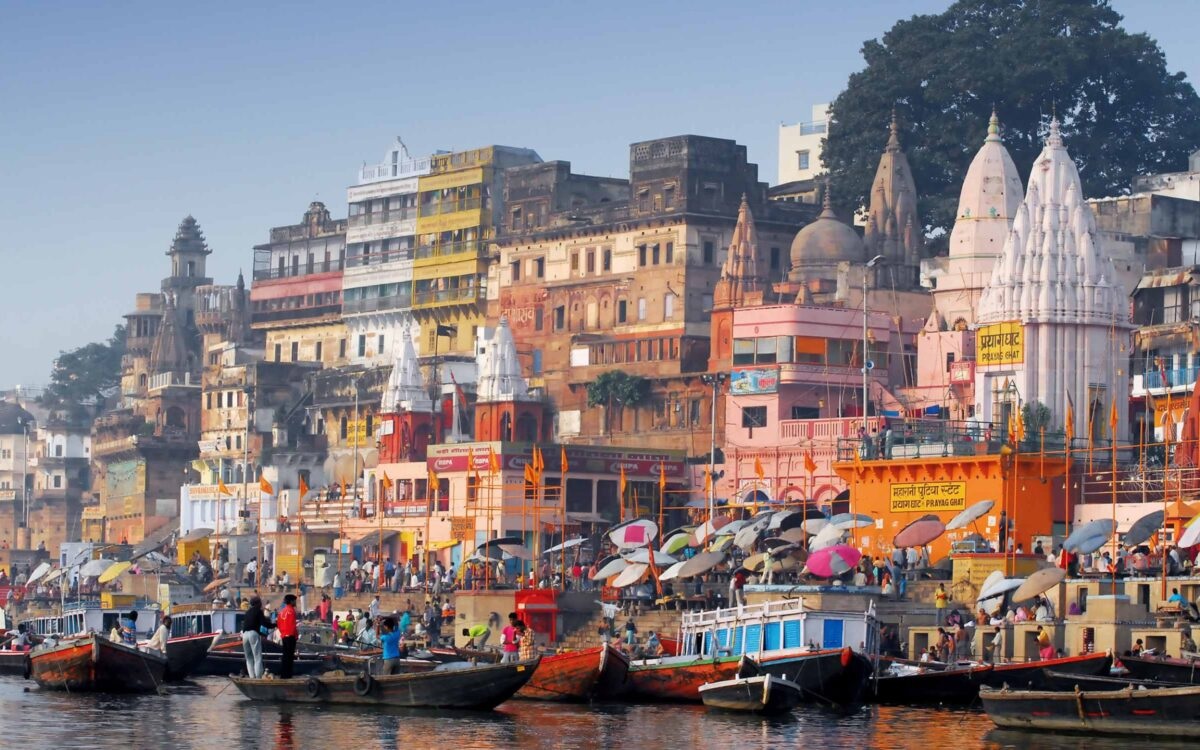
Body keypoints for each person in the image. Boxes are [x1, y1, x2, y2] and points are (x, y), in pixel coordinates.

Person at [242, 596, 269, 678]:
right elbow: (264, 624)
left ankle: (251, 677)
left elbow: (247, 625)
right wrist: (275, 625)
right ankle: (258, 677)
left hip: (245, 635)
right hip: (253, 634)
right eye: (260, 602)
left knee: (249, 658)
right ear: (258, 603)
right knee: (257, 657)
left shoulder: (247, 612)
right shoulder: (258, 611)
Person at [277, 593, 299, 679]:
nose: (295, 602)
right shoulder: (292, 611)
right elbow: (293, 625)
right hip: (290, 636)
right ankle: (288, 675)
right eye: (294, 600)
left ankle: (283, 674)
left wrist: (282, 633)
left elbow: (278, 624)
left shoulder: (282, 611)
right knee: (290, 656)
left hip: (284, 636)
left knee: (285, 655)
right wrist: (296, 636)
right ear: (291, 601)